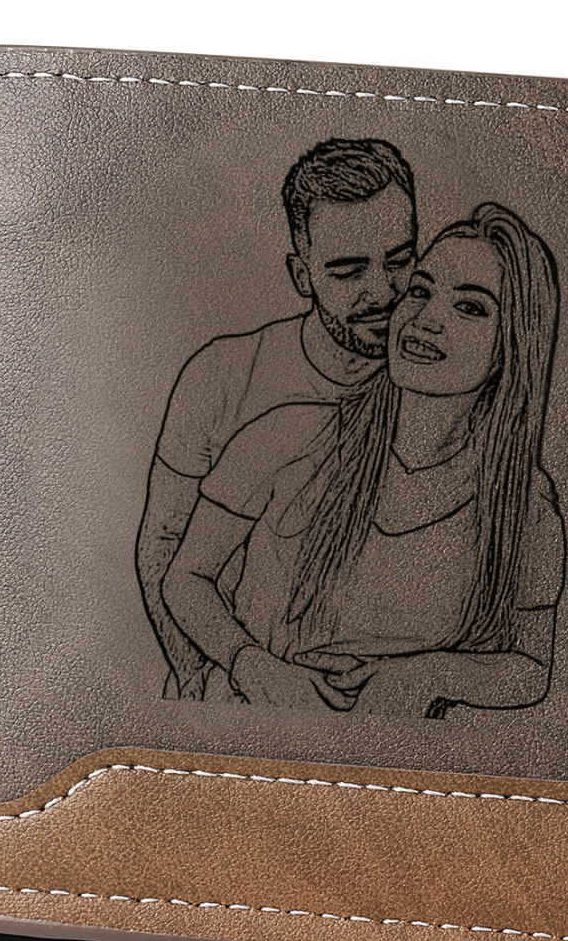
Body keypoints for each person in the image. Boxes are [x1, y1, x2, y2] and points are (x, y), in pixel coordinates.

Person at [164, 202, 565, 717]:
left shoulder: (523, 503)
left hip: (391, 758)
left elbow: (531, 667)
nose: (426, 319)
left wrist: (429, 674)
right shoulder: (290, 436)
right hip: (249, 735)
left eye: (469, 307)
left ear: (511, 347)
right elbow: (186, 578)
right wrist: (253, 666)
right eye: (420, 291)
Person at [135, 138, 418, 698]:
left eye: (400, 260)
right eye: (347, 271)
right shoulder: (223, 376)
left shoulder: (447, 379)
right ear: (301, 275)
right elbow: (164, 543)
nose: (382, 291)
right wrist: (205, 680)